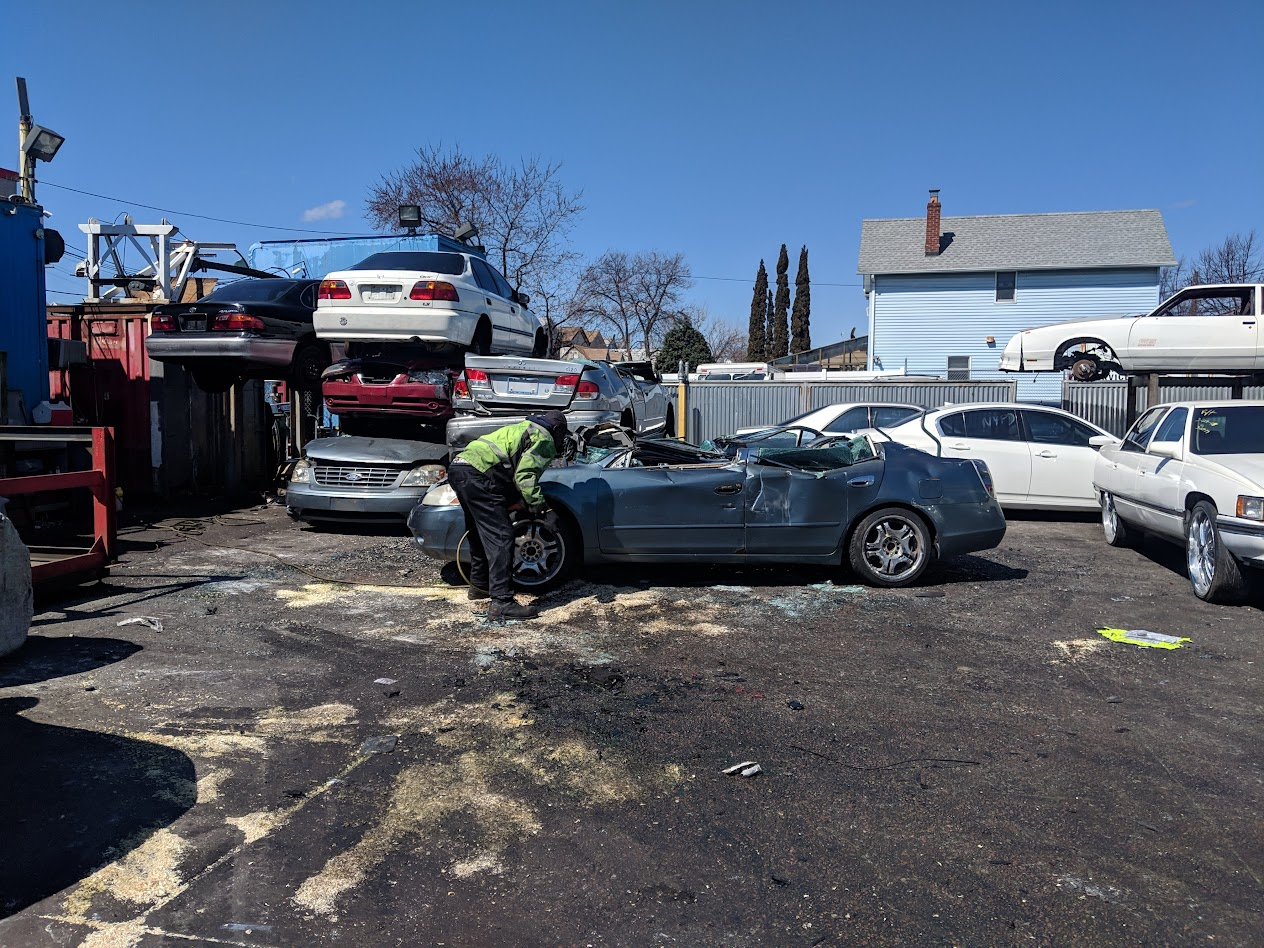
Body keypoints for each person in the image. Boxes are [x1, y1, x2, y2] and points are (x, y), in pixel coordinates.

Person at [446, 410, 569, 621]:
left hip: (459, 468)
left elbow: (508, 469)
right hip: (479, 474)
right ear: (557, 430)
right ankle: (501, 602)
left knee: (478, 532)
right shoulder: (544, 438)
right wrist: (544, 509)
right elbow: (525, 477)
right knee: (501, 536)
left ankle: (480, 586)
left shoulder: (522, 428)